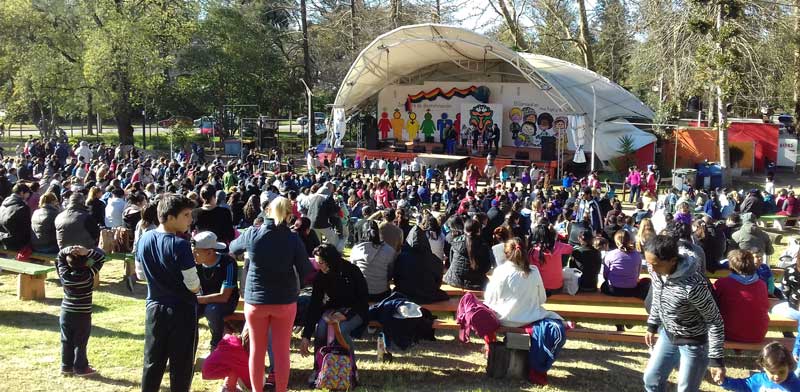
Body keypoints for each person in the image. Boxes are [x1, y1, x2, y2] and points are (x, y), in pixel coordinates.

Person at [229, 196, 313, 392]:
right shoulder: (293, 239)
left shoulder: (252, 234)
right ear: (290, 215)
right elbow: (306, 269)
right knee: (282, 351)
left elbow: (233, 248)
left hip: (256, 301)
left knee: (257, 352)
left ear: (267, 211)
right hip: (284, 301)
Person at [643, 234, 725, 392]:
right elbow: (658, 297)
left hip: (694, 342)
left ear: (673, 260)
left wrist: (716, 359)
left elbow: (715, 321)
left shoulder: (693, 286)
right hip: (668, 335)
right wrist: (653, 324)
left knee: (685, 389)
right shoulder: (657, 272)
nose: (651, 269)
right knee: (651, 379)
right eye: (648, 263)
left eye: (656, 264)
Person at [138, 193, 201, 392]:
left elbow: (140, 274)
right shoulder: (180, 245)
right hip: (181, 310)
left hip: (154, 308)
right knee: (181, 364)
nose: (191, 220)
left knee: (152, 361)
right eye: (186, 215)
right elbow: (193, 284)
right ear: (170, 217)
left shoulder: (144, 238)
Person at [483, 237, 566, 385]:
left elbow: (489, 299)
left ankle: (490, 348)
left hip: (503, 318)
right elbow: (542, 299)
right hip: (530, 318)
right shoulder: (533, 272)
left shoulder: (500, 271)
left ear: (506, 253)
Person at [300, 244, 368, 386]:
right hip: (332, 311)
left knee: (341, 331)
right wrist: (306, 335)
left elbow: (362, 299)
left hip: (355, 310)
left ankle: (351, 368)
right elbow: (314, 305)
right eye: (317, 263)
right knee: (321, 329)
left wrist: (347, 315)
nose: (320, 267)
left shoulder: (351, 271)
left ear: (331, 260)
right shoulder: (321, 277)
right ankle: (319, 368)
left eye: (322, 263)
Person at [56, 245, 106, 377]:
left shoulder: (64, 275)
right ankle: (81, 367)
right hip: (82, 315)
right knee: (80, 342)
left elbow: (59, 257)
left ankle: (66, 366)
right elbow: (101, 258)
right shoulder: (89, 275)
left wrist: (68, 250)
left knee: (66, 340)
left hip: (66, 312)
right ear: (86, 262)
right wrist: (87, 251)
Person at [192, 231, 239, 351]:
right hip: (203, 300)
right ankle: (189, 346)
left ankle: (216, 343)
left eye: (196, 252)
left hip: (226, 302)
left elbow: (224, 296)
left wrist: (196, 299)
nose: (193, 255)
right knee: (187, 310)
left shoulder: (228, 263)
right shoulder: (195, 264)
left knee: (212, 310)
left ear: (210, 252)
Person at [712, 249, 769, 343]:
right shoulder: (761, 284)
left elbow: (712, 307)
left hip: (729, 333)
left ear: (731, 265)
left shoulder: (722, 283)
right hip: (758, 333)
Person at [393, 225, 450, 304]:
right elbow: (438, 280)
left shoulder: (400, 258)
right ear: (425, 241)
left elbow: (395, 277)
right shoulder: (434, 259)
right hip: (427, 294)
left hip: (406, 293)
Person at [718, 342, 800, 390]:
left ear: (788, 367)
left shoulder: (796, 385)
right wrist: (724, 381)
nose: (777, 376)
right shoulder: (758, 380)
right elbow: (742, 385)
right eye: (772, 372)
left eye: (781, 372)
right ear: (764, 367)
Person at [349, 220, 397, 301]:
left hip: (361, 293)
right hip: (381, 293)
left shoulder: (355, 250)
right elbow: (391, 273)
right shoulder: (389, 250)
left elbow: (353, 271)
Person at [443, 218, 491, 290]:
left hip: (454, 279)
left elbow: (451, 261)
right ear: (479, 230)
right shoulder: (483, 246)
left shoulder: (456, 242)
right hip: (476, 282)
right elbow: (486, 267)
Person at [601, 230, 650, 299]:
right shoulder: (637, 254)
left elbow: (605, 274)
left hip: (613, 289)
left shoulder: (610, 254)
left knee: (603, 285)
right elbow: (637, 274)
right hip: (631, 290)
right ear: (629, 240)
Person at [529, 220, 572, 295]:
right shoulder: (558, 246)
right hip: (557, 287)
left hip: (539, 288)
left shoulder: (532, 251)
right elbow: (570, 248)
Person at [0, 182, 32, 250]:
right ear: (22, 193)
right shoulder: (22, 207)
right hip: (16, 242)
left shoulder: (3, 204)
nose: (29, 195)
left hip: (3, 238)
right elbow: (26, 228)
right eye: (28, 193)